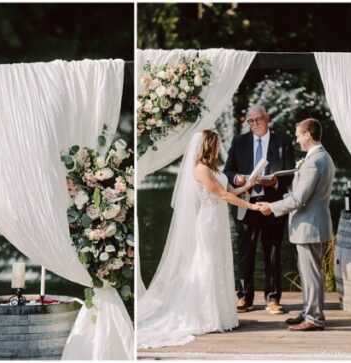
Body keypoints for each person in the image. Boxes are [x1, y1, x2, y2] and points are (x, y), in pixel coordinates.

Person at [138, 130, 262, 348]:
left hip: (219, 221)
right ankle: (207, 315)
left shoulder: (212, 169)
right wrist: (251, 206)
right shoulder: (201, 170)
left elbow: (229, 190)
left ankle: (222, 314)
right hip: (209, 222)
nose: (219, 148)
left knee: (220, 263)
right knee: (208, 263)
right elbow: (222, 195)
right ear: (207, 146)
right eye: (216, 145)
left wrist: (248, 186)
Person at [257, 118, 335, 332]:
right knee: (309, 272)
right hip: (312, 224)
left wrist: (271, 207)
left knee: (311, 274)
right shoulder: (322, 157)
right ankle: (308, 311)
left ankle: (314, 318)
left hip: (309, 225)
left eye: (299, 135)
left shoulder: (313, 161)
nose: (297, 139)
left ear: (308, 134)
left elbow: (299, 198)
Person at [223, 105, 295, 314]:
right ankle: (245, 296)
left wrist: (274, 183)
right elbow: (228, 170)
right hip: (247, 204)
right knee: (245, 251)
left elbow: (290, 175)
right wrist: (236, 178)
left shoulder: (283, 143)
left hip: (272, 205)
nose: (254, 124)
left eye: (258, 120)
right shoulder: (239, 141)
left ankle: (273, 298)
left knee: (272, 250)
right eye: (250, 121)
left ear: (267, 118)